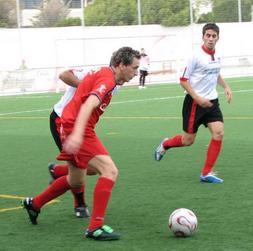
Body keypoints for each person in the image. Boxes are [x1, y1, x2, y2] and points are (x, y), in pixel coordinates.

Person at [22, 46, 140, 241]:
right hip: (76, 128)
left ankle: (34, 204)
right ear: (120, 65)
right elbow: (88, 104)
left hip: (72, 126)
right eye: (134, 68)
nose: (136, 73)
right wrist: (76, 134)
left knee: (76, 180)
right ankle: (95, 227)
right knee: (110, 171)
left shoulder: (106, 75)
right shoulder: (107, 79)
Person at [154, 23, 232, 184]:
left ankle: (206, 173)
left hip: (212, 102)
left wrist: (226, 87)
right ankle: (165, 144)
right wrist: (197, 98)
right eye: (208, 35)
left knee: (219, 132)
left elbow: (216, 73)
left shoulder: (217, 56)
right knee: (188, 140)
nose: (210, 38)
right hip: (194, 103)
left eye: (214, 36)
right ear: (203, 37)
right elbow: (183, 80)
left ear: (218, 38)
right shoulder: (194, 56)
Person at [49, 68, 93, 218]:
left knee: (93, 168)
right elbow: (64, 74)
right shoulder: (92, 73)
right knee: (79, 167)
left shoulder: (114, 86)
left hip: (80, 125)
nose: (135, 73)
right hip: (62, 121)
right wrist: (85, 87)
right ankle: (79, 204)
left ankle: (58, 171)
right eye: (134, 68)